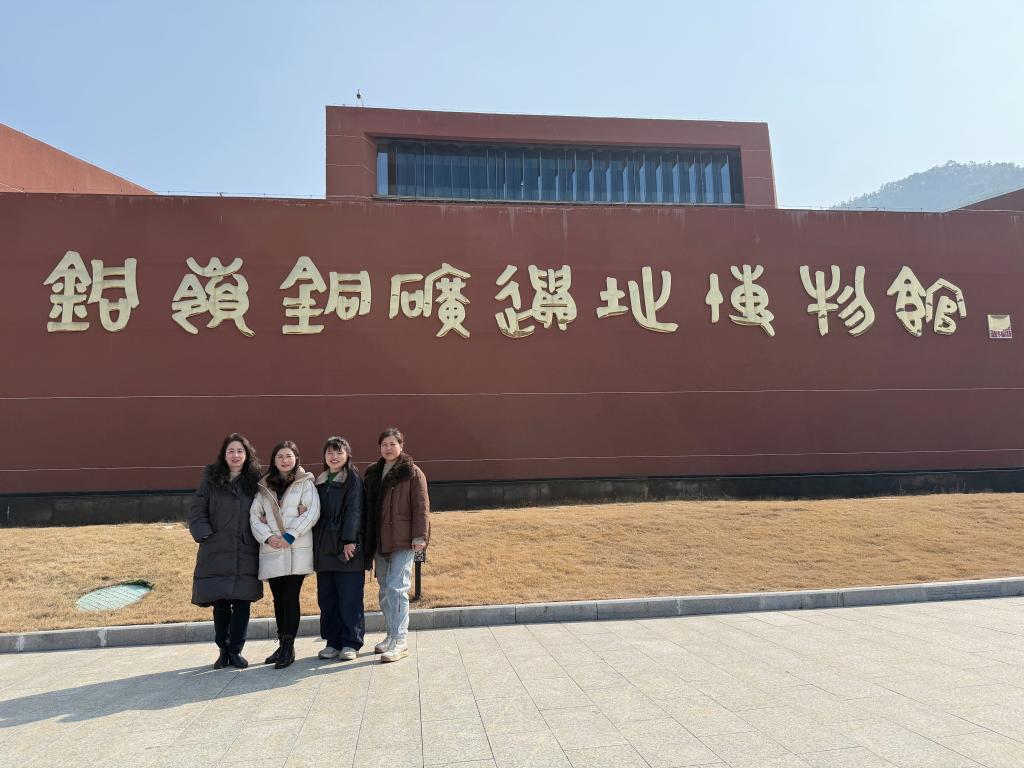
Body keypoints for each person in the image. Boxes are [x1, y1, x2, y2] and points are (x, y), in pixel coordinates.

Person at [187, 433, 263, 670]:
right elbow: (197, 511)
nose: (236, 455)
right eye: (231, 451)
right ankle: (223, 650)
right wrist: (206, 535)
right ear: (224, 455)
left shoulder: (255, 482)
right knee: (220, 603)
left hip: (245, 549)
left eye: (240, 451)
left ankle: (236, 650)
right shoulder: (211, 480)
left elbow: (265, 511)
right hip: (216, 549)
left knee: (242, 602)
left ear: (247, 455)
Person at [250, 440, 320, 669]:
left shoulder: (305, 483)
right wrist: (268, 537)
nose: (284, 460)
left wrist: (290, 535)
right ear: (274, 460)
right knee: (278, 599)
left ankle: (289, 647)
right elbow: (254, 516)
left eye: (289, 456)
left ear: (296, 458)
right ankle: (282, 644)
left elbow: (312, 512)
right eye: (280, 456)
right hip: (272, 549)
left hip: (295, 549)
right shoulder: (264, 486)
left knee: (290, 598)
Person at [363, 428, 429, 663]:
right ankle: (391, 635)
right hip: (380, 539)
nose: (388, 448)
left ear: (401, 445)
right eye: (384, 444)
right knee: (384, 590)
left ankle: (400, 641)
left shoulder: (412, 472)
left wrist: (420, 537)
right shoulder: (373, 472)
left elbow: (421, 507)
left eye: (393, 444)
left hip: (404, 539)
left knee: (397, 588)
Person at [312, 436, 369, 661]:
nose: (334, 457)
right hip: (323, 545)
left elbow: (355, 510)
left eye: (339, 452)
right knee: (327, 598)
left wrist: (349, 540)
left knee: (349, 597)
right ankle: (332, 642)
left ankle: (351, 642)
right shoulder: (320, 480)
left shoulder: (352, 478)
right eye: (330, 452)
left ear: (347, 455)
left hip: (345, 546)